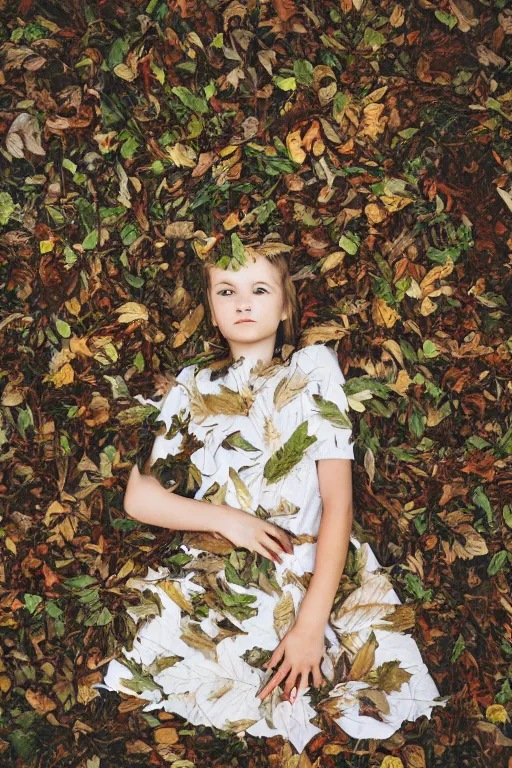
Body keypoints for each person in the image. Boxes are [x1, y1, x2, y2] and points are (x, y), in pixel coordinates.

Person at [94, 243, 447, 754]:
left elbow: (338, 505)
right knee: (196, 681)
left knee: (341, 690)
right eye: (227, 292)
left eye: (259, 290)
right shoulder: (192, 386)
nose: (243, 303)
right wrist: (227, 520)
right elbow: (140, 497)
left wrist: (309, 626)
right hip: (219, 568)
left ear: (285, 306)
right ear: (211, 309)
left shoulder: (313, 369)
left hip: (309, 563)